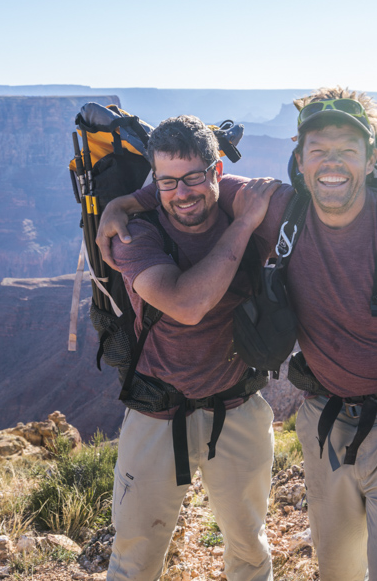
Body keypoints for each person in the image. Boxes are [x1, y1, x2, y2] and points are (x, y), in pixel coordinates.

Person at [99, 89, 377, 581]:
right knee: (335, 569)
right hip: (319, 420)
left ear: (371, 158)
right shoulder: (278, 211)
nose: (332, 163)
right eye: (318, 150)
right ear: (299, 161)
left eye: (347, 150)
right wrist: (125, 202)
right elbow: (184, 197)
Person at [104, 115, 280, 581]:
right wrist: (244, 227)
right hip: (158, 413)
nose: (182, 193)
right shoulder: (135, 234)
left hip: (236, 405)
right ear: (155, 182)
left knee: (249, 547)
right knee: (133, 557)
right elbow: (187, 305)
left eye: (194, 177)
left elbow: (311, 208)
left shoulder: (242, 199)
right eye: (167, 182)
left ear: (216, 171)